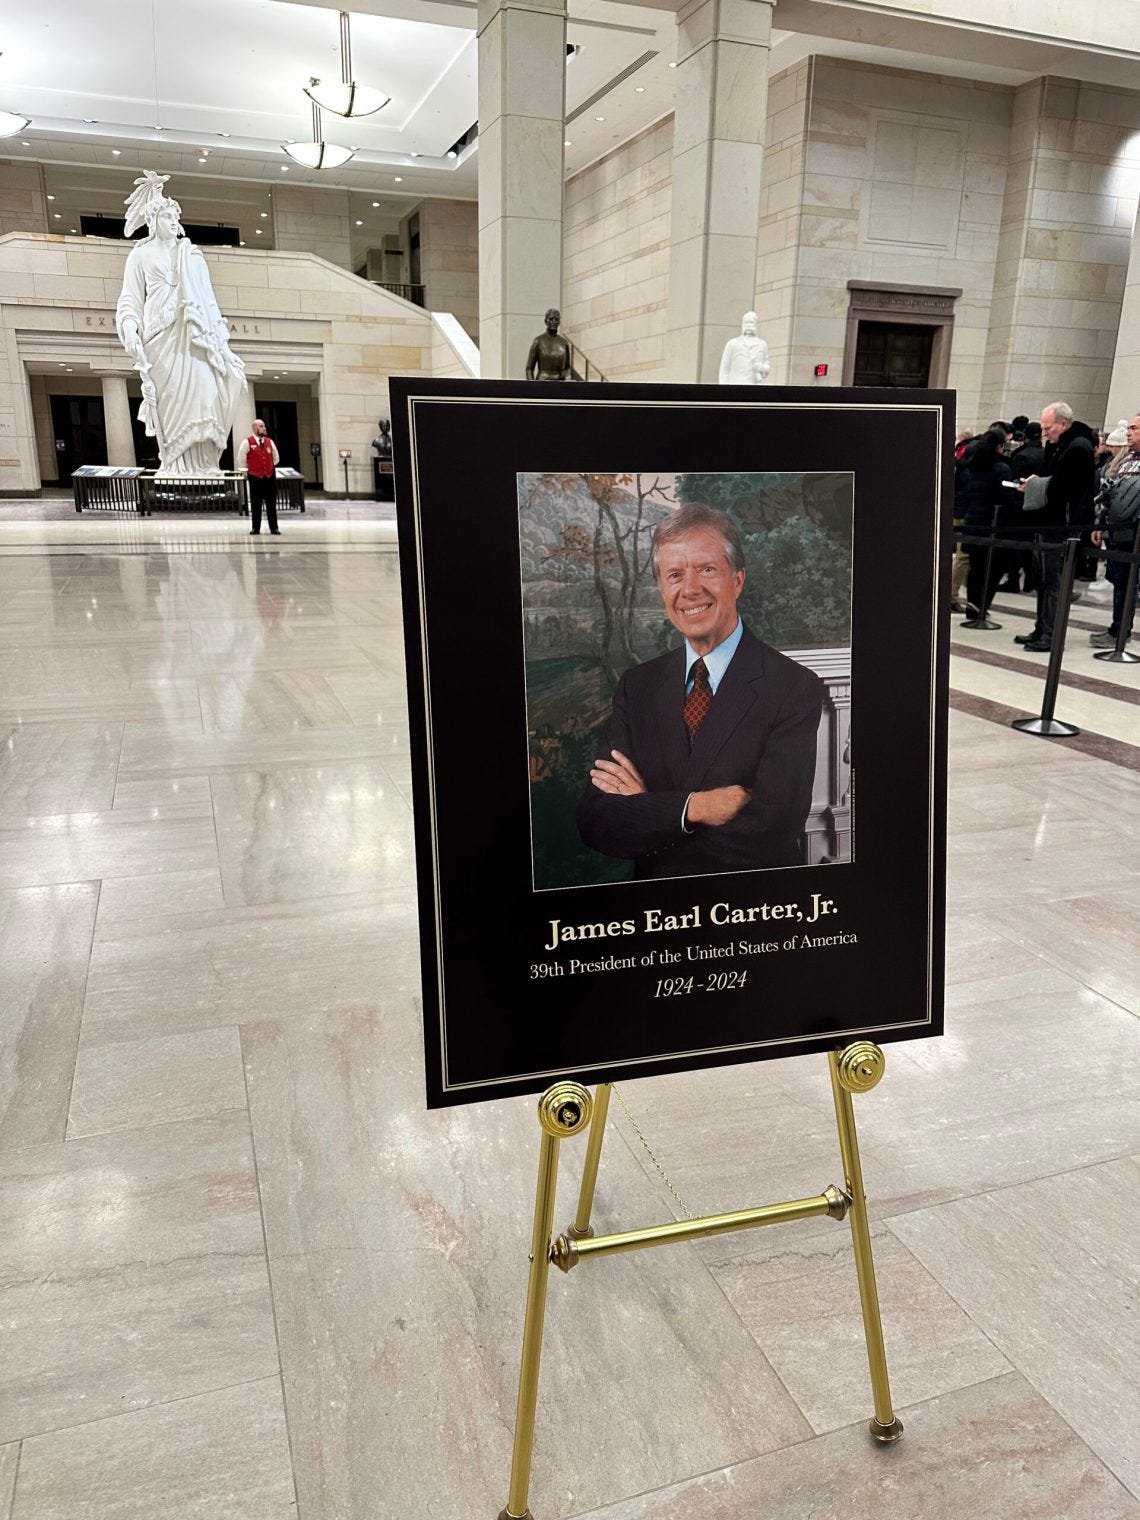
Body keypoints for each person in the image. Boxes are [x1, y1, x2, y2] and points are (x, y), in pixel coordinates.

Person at [576, 504, 824, 879]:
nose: (690, 589)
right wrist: (695, 807)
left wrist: (647, 809)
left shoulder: (793, 686)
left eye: (706, 569)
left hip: (753, 906)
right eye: (675, 575)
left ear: (737, 580)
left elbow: (770, 834)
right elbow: (596, 821)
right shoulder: (637, 686)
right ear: (662, 589)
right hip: (655, 908)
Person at [115, 171, 246, 474]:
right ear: (152, 220)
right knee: (171, 400)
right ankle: (175, 465)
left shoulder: (192, 255)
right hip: (160, 339)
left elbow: (209, 302)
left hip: (194, 332)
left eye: (176, 217)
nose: (173, 222)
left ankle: (204, 465)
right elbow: (130, 298)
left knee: (205, 394)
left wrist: (221, 344)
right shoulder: (140, 256)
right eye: (167, 217)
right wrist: (129, 327)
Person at [1016, 402, 1097, 652]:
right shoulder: (1060, 445)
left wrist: (1035, 486)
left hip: (1063, 526)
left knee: (1054, 583)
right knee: (1042, 580)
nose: (1044, 433)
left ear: (1063, 424)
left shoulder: (1078, 448)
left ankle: (1050, 634)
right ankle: (1041, 628)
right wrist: (1037, 482)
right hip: (1049, 522)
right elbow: (1052, 478)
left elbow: (1066, 488)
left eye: (1048, 428)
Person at [1090, 413, 1140, 647]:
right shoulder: (1127, 460)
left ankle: (1120, 630)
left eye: (1134, 428)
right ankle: (1118, 627)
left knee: (1127, 583)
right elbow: (1111, 494)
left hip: (1134, 533)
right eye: (1129, 428)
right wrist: (1101, 523)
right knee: (1120, 582)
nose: (1128, 432)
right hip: (1118, 529)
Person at [955, 426, 1013, 625]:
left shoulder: (972, 466)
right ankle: (981, 606)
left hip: (972, 520)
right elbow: (1006, 498)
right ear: (999, 446)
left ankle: (973, 605)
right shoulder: (1001, 469)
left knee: (975, 566)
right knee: (992, 568)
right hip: (992, 524)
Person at [1000, 421, 1045, 592]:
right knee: (1030, 544)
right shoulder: (1045, 454)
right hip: (1037, 504)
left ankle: (1013, 579)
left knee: (1015, 544)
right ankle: (1030, 580)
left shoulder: (1021, 455)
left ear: (1025, 436)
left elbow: (1013, 479)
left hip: (1019, 503)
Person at [237, 419, 281, 535]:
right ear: (254, 428)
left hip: (269, 477)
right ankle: (255, 528)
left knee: (271, 504)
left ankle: (274, 528)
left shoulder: (270, 442)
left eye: (264, 426)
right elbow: (241, 459)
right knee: (256, 504)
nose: (264, 428)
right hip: (255, 478)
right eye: (261, 426)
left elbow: (276, 458)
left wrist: (268, 467)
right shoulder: (247, 442)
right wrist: (251, 469)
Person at [719, 312, 771, 385]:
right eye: (746, 322)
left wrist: (761, 368)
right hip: (736, 384)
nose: (748, 325)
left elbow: (767, 366)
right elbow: (724, 369)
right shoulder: (733, 343)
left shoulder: (762, 344)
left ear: (756, 324)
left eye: (751, 322)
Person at [525, 310, 572, 381]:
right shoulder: (538, 341)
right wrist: (532, 385)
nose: (554, 322)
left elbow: (567, 368)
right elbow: (529, 368)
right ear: (545, 321)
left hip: (560, 382)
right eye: (551, 319)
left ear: (559, 322)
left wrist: (568, 381)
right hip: (542, 382)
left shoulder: (564, 343)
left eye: (556, 319)